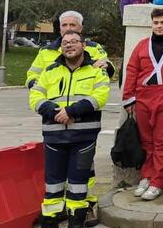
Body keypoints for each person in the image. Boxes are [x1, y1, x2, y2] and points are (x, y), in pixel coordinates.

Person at [25, 11, 112, 226]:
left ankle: (82, 214)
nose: (68, 32)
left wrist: (72, 111)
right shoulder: (47, 57)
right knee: (53, 185)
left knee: (80, 181)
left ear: (82, 38)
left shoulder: (95, 52)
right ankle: (52, 219)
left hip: (83, 134)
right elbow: (34, 87)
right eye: (64, 26)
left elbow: (102, 89)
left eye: (73, 27)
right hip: (54, 133)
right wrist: (54, 111)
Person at [123, 8, 163, 201]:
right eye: (156, 23)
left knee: (162, 141)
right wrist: (129, 98)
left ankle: (158, 182)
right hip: (143, 97)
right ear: (151, 24)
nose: (159, 26)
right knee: (146, 142)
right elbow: (132, 70)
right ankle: (146, 176)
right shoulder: (142, 45)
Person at [26, 11, 112, 89]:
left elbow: (109, 70)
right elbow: (32, 75)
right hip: (51, 99)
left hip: (85, 98)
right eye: (64, 25)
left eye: (72, 25)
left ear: (80, 28)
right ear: (60, 28)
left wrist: (107, 66)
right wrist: (33, 83)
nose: (68, 28)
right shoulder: (46, 51)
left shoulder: (94, 48)